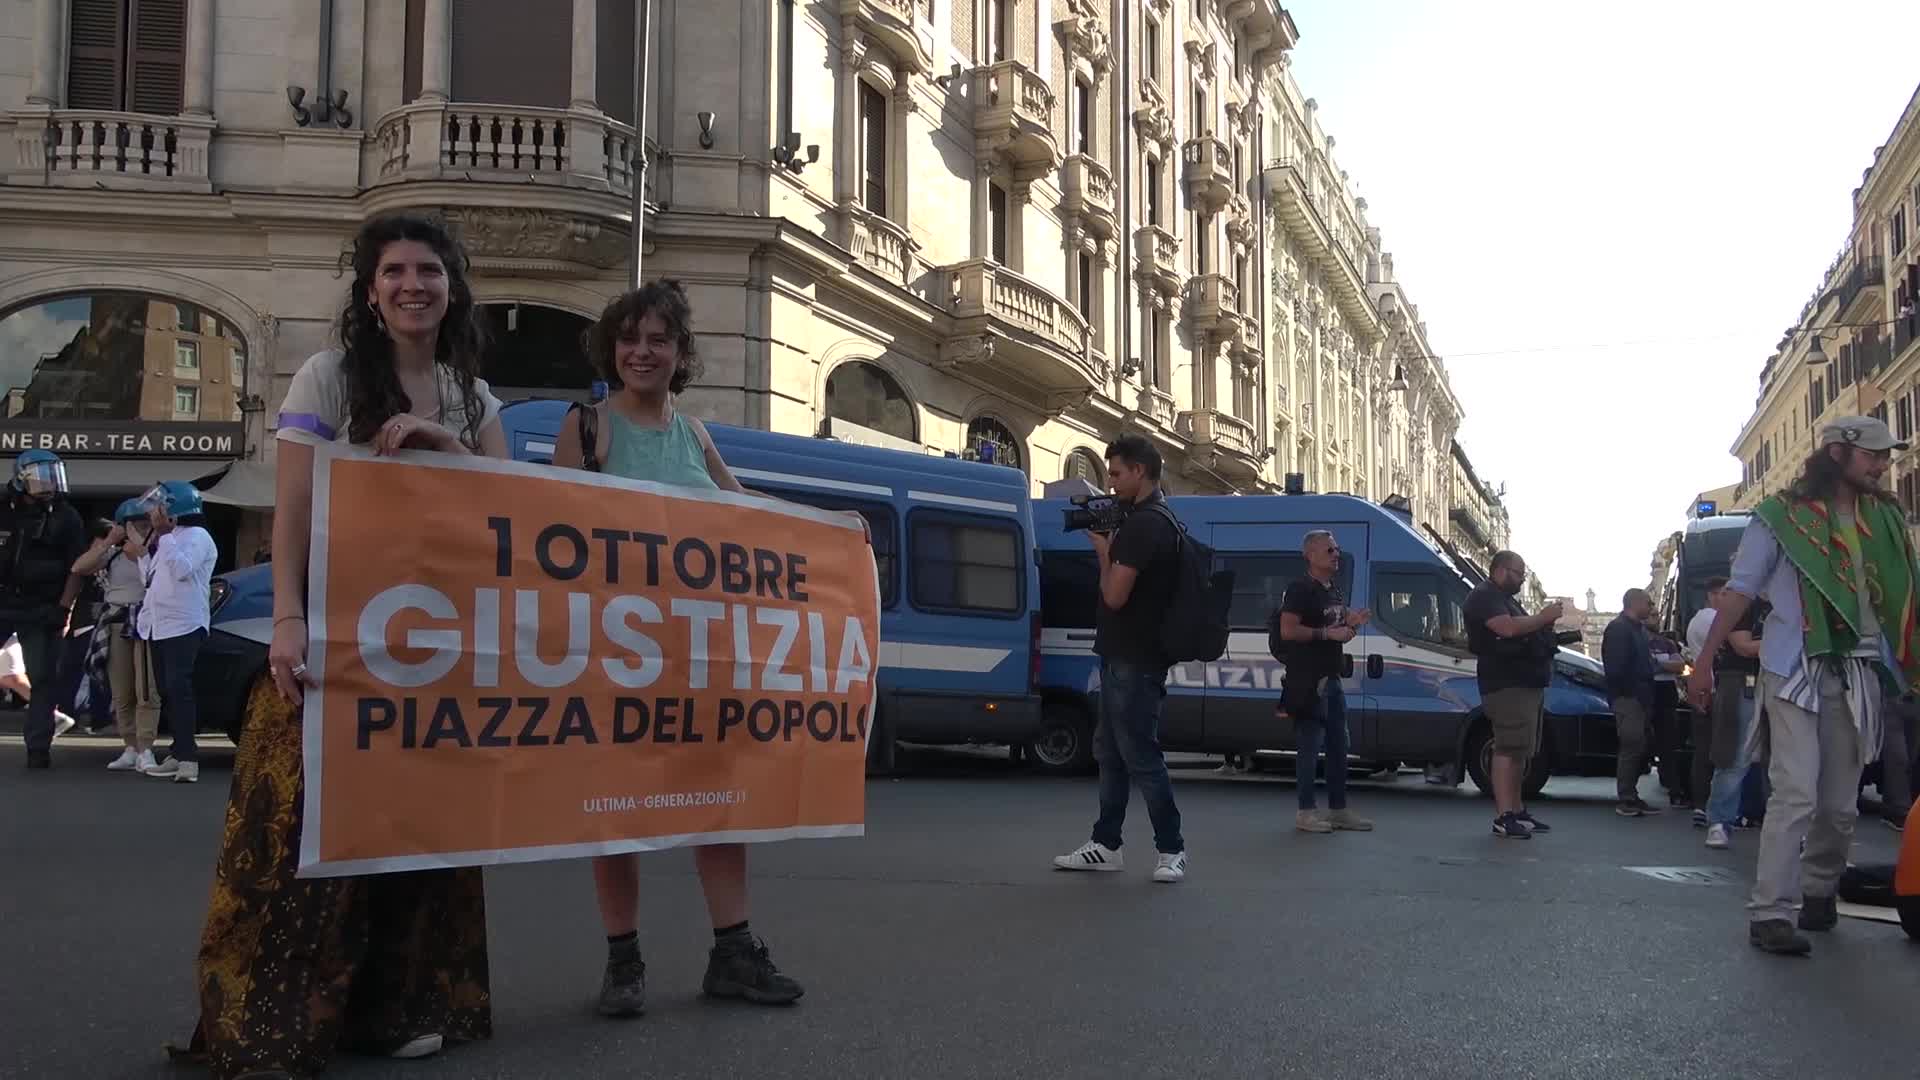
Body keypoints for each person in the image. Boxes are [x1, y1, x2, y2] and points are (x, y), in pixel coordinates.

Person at [168, 213, 498, 1076]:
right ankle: (273, 1021)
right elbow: (296, 509)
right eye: (394, 270)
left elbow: (510, 506)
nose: (412, 285)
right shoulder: (326, 378)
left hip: (435, 651)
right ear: (369, 289)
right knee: (302, 834)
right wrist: (287, 617)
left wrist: (442, 442)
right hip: (337, 635)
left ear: (451, 288)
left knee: (409, 831)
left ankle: (390, 1008)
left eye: (429, 269)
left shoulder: (472, 396)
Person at [553, 279, 815, 1018]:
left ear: (680, 353)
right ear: (612, 348)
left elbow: (744, 516)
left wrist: (825, 530)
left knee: (717, 803)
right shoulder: (587, 428)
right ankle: (623, 962)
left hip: (698, 658)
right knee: (614, 810)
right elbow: (554, 538)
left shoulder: (696, 435)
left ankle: (733, 953)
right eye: (630, 338)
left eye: (658, 339)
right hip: (615, 655)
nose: (642, 351)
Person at [1689, 415, 1920, 956]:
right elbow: (1741, 591)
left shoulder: (1885, 517)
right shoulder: (1780, 519)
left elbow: (1909, 591)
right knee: (1795, 791)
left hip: (1860, 670)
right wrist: (1702, 663)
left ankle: (1818, 890)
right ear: (1838, 454)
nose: (1883, 465)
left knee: (1840, 805)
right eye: (1874, 456)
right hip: (1794, 668)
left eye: (1887, 456)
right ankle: (1770, 911)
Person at [1052, 434, 1190, 882]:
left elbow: (1114, 595)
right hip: (1124, 655)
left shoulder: (1144, 526)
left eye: (1115, 474)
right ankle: (1106, 843)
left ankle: (1171, 848)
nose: (1109, 485)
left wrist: (1103, 551)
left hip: (1135, 657)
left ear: (1139, 472)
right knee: (1109, 752)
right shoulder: (1158, 518)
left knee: (1139, 754)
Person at [1272, 530, 1373, 834]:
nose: (1336, 555)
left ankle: (1338, 809)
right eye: (1330, 550)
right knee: (1309, 746)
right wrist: (1328, 634)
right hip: (1309, 679)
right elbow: (1289, 631)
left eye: (1337, 550)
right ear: (1311, 555)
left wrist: (1350, 626)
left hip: (1332, 678)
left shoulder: (1334, 591)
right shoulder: (1300, 589)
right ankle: (1306, 812)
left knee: (1339, 745)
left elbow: (1336, 630)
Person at [1463, 551, 1563, 838]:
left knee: (1521, 750)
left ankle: (1517, 810)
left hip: (1525, 682)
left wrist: (1543, 626)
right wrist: (1542, 618)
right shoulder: (1485, 595)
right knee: (1507, 748)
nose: (1522, 580)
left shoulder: (1504, 598)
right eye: (1519, 573)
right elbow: (1506, 628)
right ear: (1502, 570)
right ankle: (1504, 815)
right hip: (1506, 684)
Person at [0, 448, 89, 769]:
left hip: (41, 607)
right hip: (4, 600)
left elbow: (76, 569)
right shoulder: (4, 510)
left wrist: (64, 609)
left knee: (42, 679)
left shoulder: (67, 517)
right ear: (22, 479)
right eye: (41, 476)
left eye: (54, 475)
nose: (49, 484)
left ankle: (38, 748)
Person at [133, 480, 219, 783]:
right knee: (168, 690)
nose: (155, 512)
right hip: (159, 624)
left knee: (179, 689)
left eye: (160, 506)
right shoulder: (170, 537)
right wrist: (145, 550)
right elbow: (152, 578)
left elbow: (182, 570)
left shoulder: (198, 536)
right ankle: (177, 750)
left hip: (183, 623)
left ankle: (188, 759)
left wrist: (165, 537)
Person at [73, 499, 161, 772]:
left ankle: (147, 748)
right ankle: (130, 747)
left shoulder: (160, 550)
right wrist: (110, 539)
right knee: (122, 690)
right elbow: (79, 567)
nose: (140, 529)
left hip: (146, 619)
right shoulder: (111, 553)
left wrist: (142, 545)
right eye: (134, 524)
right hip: (115, 618)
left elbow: (148, 567)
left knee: (146, 690)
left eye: (145, 523)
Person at [1686, 577, 1764, 849]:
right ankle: (1719, 820)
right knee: (1733, 755)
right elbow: (1742, 645)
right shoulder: (1741, 604)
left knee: (1785, 758)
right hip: (1742, 682)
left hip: (1774, 679)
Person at [1603, 589, 1667, 817]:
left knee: (1639, 746)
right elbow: (1616, 668)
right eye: (1649, 603)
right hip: (1628, 698)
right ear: (1636, 603)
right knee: (1631, 746)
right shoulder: (1619, 629)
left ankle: (1631, 795)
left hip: (1640, 697)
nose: (1651, 607)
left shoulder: (1638, 629)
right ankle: (1626, 799)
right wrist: (1631, 692)